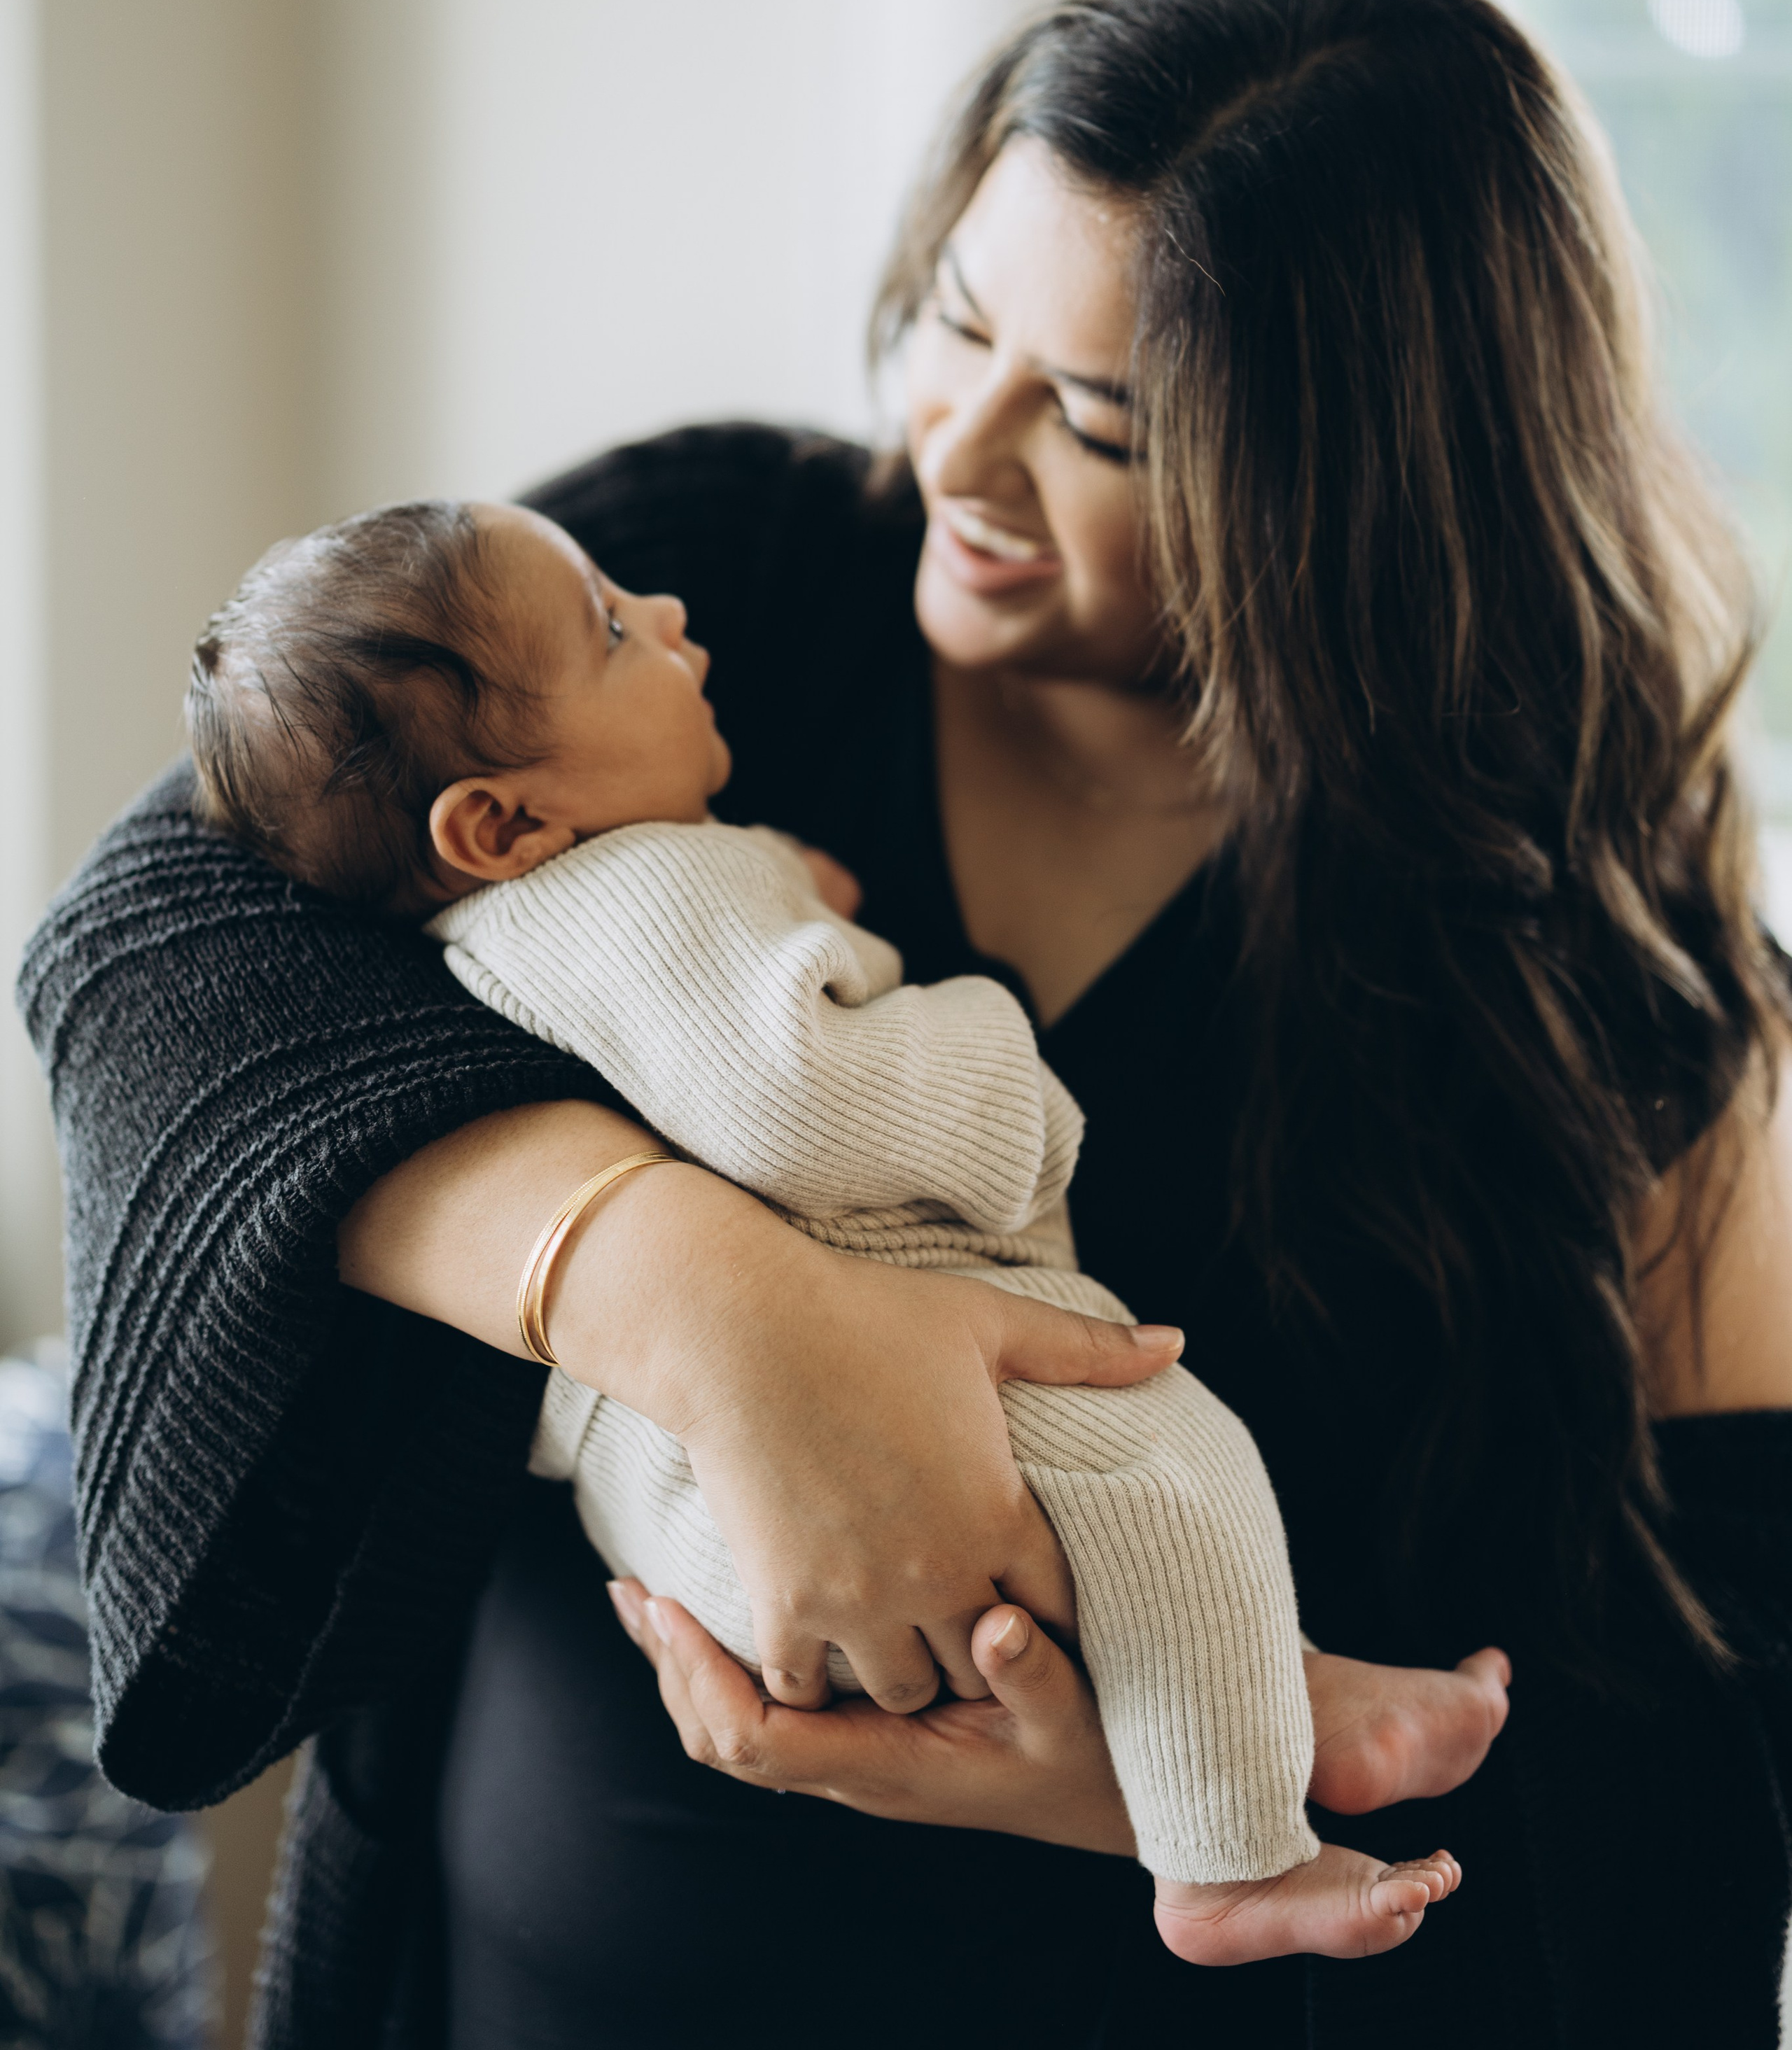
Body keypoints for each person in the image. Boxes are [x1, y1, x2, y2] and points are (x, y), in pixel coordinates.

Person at [18, 0, 1792, 2050]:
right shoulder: (726, 587)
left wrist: (1168, 1786)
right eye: (961, 318)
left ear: (1365, 496)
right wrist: (695, 1296)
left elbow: (1691, 1837)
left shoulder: (1622, 991)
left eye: (1105, 421)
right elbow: (143, 945)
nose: (955, 443)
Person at [178, 489, 1500, 1956]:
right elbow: (796, 1100)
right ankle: (1230, 1860)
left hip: (694, 1515)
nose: (671, 617)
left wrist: (773, 893)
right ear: (496, 819)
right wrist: (1000, 1086)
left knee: (1128, 1539)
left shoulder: (548, 905)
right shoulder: (643, 891)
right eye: (614, 628)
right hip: (821, 1422)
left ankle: (1279, 1695)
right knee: (1169, 1469)